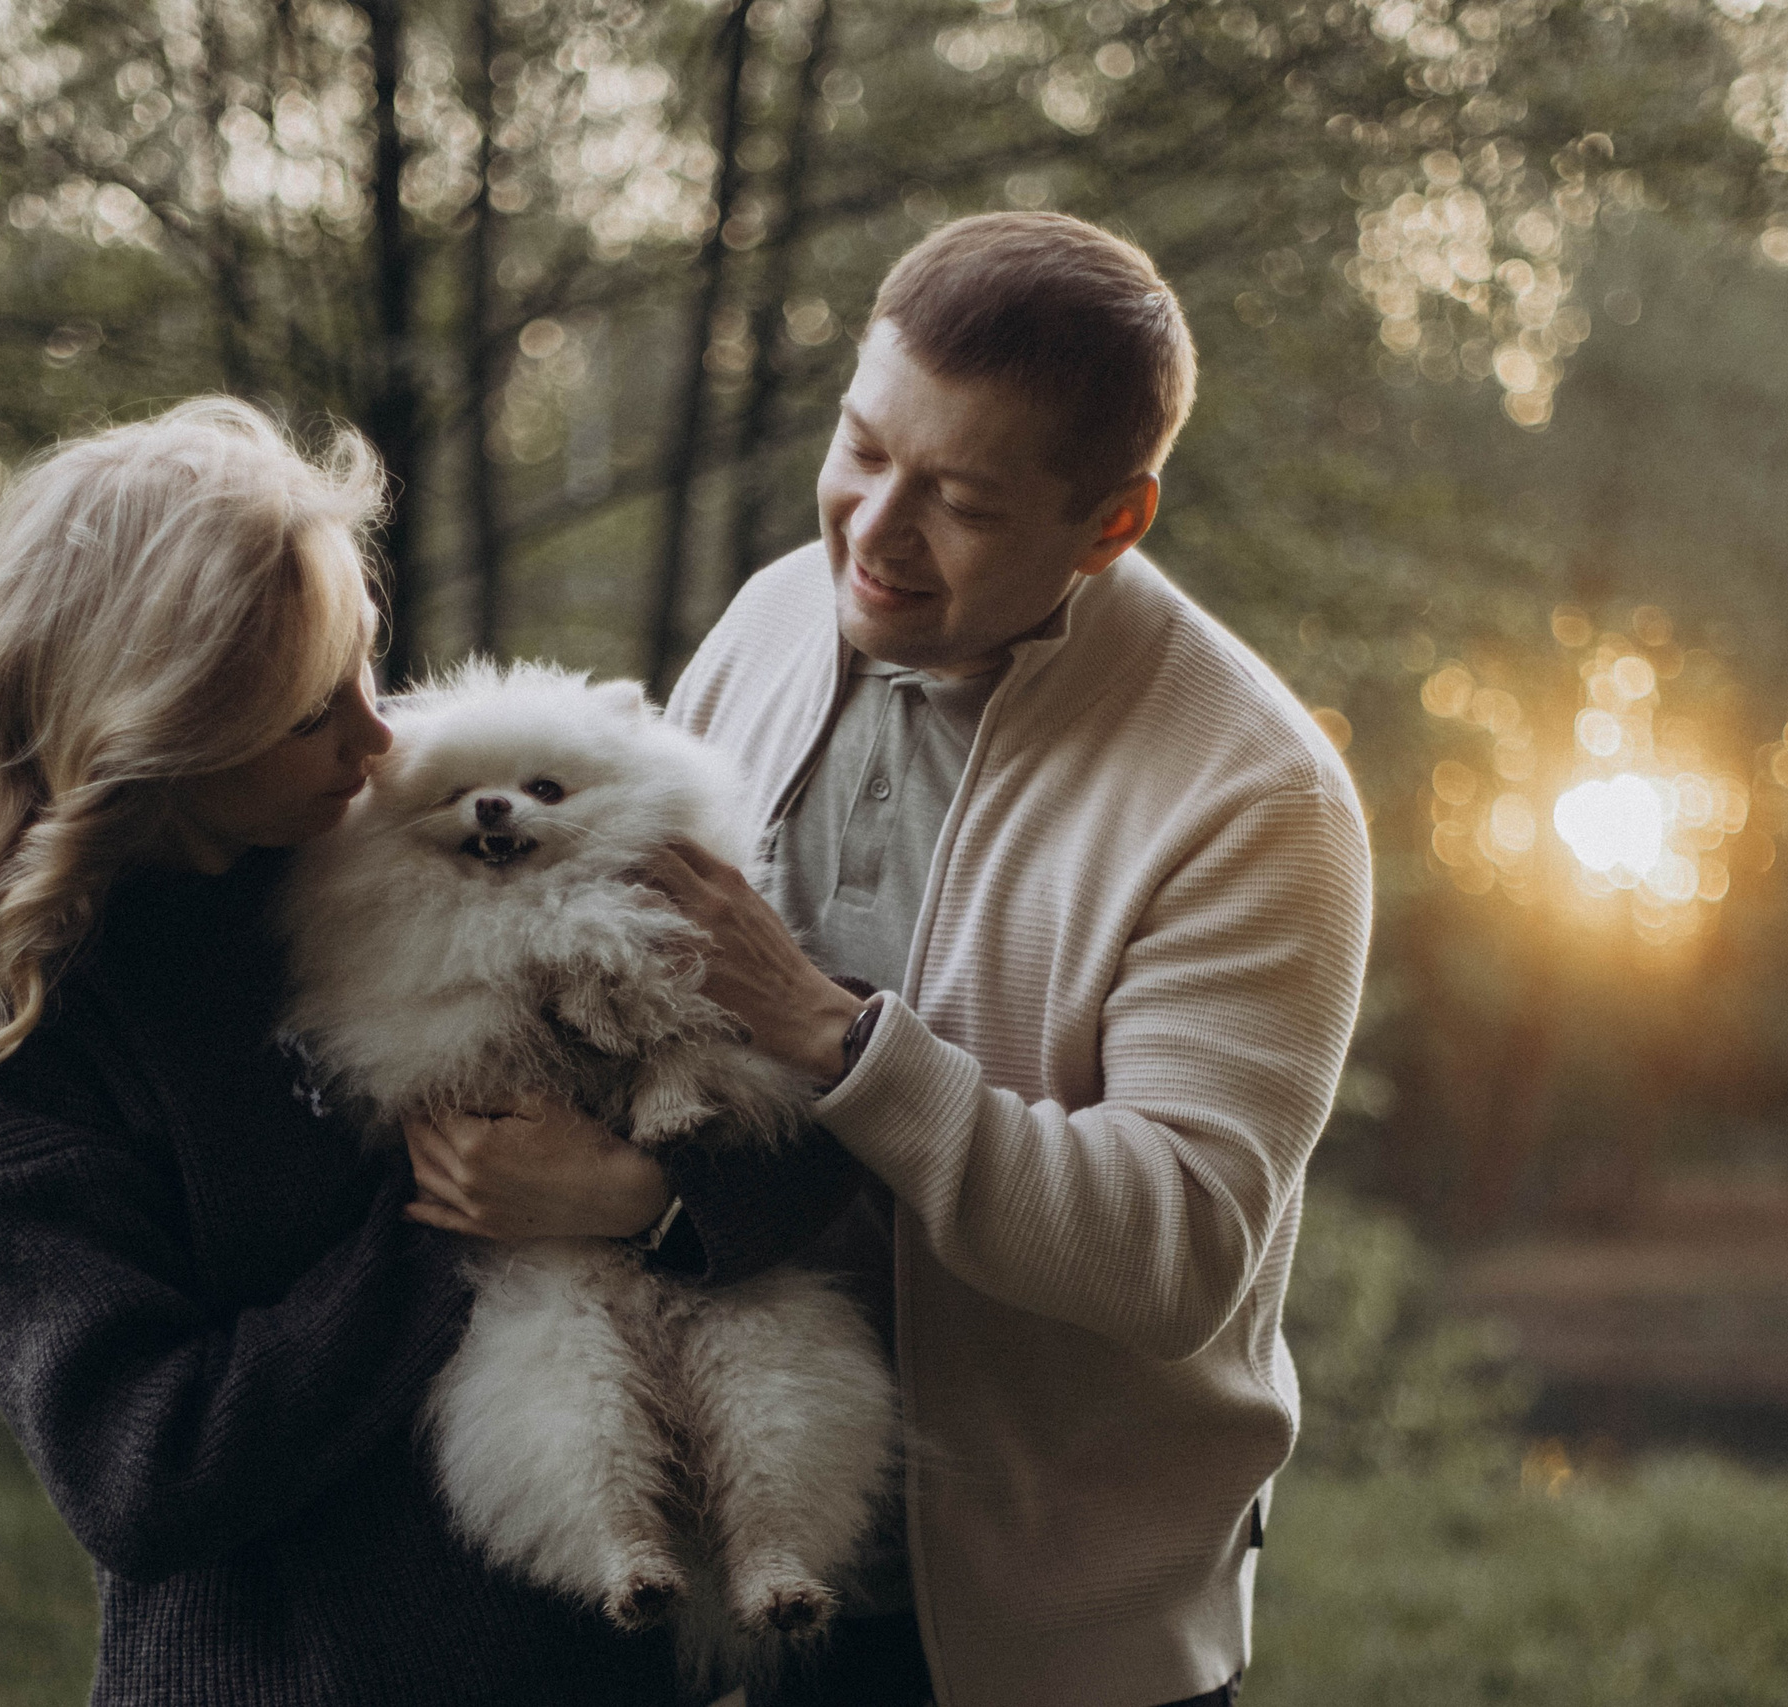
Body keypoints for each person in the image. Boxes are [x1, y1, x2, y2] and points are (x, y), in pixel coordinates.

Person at [430, 213, 1372, 1706]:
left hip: (1047, 1643)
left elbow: (1178, 1253)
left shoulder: (1255, 797)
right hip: (745, 1570)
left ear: (1111, 523)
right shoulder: (770, 620)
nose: (872, 533)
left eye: (962, 502)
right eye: (864, 449)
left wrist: (834, 1037)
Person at [0, 399, 693, 1706]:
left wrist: (646, 1198)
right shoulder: (25, 1049)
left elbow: (773, 1098)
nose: (378, 737)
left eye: (367, 663)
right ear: (157, 733)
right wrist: (454, 1223)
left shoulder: (414, 834)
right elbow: (145, 1465)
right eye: (315, 711)